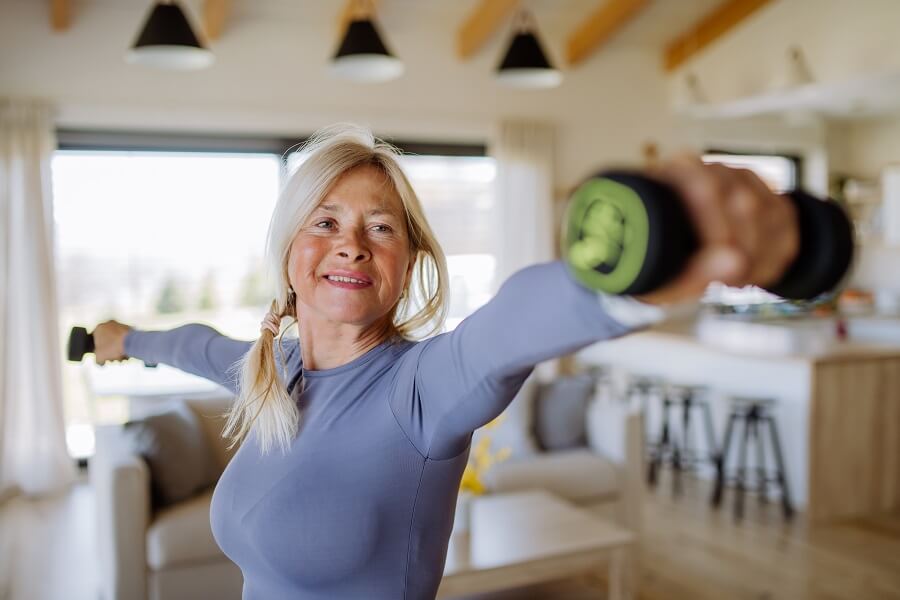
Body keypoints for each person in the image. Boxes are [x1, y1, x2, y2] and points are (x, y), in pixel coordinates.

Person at [92, 124, 798, 600]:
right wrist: (125, 340)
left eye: (380, 228)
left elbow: (505, 330)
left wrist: (620, 279)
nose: (351, 244)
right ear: (288, 251)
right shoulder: (271, 370)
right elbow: (195, 344)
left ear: (411, 263)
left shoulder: (420, 389)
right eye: (326, 222)